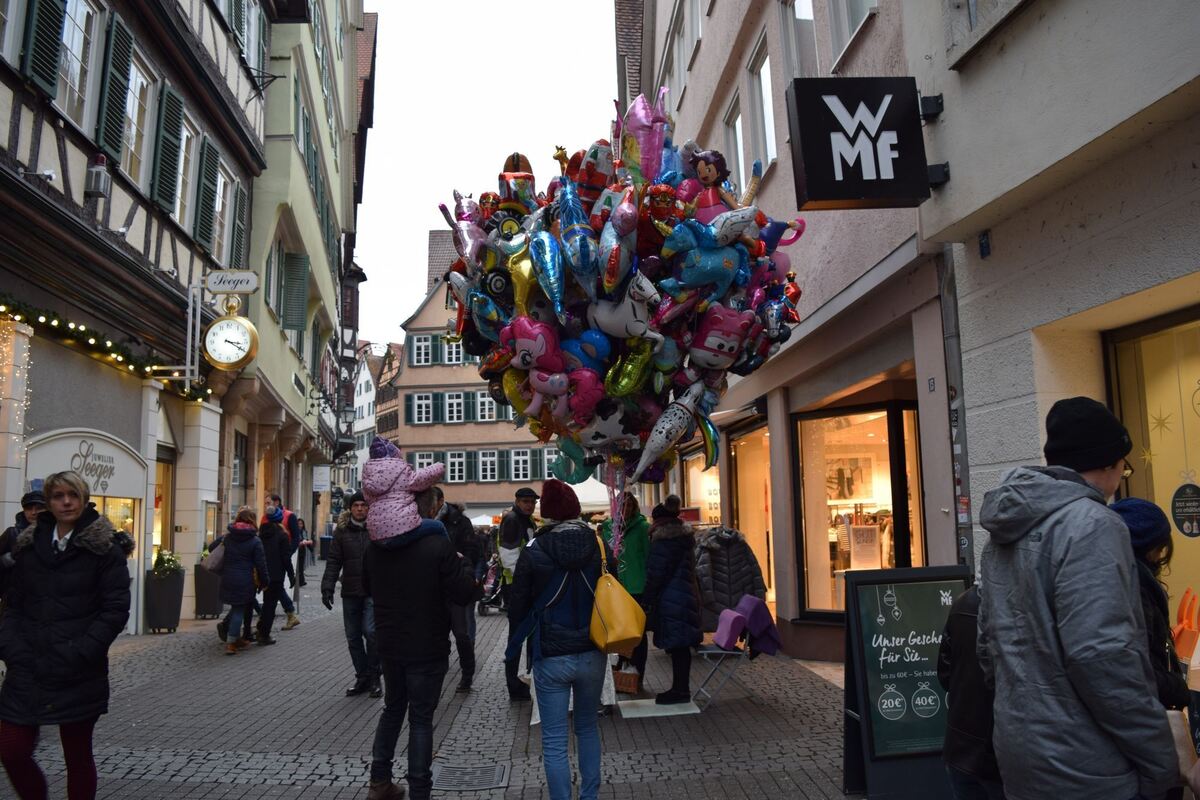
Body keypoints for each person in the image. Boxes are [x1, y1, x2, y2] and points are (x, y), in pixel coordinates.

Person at [977, 397, 1175, 800]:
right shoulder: (1093, 525)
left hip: (1021, 749)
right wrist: (1160, 760)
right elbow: (1103, 657)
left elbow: (988, 645)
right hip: (1089, 762)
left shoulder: (1005, 529)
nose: (1122, 475)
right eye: (1124, 464)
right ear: (1107, 463)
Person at [0, 471, 130, 800]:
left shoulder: (104, 547)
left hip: (77, 668)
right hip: (27, 664)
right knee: (12, 749)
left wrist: (83, 650)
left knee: (77, 756)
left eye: (72, 495)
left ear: (84, 499)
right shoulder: (28, 544)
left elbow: (114, 609)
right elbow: (13, 604)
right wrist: (10, 647)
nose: (66, 502)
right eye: (58, 496)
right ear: (49, 502)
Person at [362, 467, 478, 800]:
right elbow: (462, 593)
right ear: (426, 509)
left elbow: (368, 587)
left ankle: (379, 782)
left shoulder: (376, 546)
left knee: (393, 708)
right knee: (422, 719)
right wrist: (465, 567)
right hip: (427, 646)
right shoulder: (437, 545)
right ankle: (420, 791)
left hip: (390, 644)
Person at [508, 479, 611, 800]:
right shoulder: (598, 545)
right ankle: (589, 796)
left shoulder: (535, 549)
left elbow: (518, 605)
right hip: (593, 651)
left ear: (547, 513)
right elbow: (612, 592)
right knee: (587, 729)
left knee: (553, 739)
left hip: (551, 654)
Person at [1111, 498, 1191, 800]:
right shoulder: (1135, 588)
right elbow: (1138, 669)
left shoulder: (1126, 579)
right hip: (1143, 731)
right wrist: (1178, 688)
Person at [937, 585, 1005, 800]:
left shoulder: (962, 602)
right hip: (1002, 755)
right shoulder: (1021, 603)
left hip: (960, 746)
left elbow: (945, 674)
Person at [641, 495, 701, 705]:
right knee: (680, 646)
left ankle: (680, 691)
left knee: (678, 645)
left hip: (671, 598)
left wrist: (647, 599)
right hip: (684, 595)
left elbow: (656, 574)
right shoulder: (684, 540)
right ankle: (680, 688)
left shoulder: (663, 542)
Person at [322, 492, 381, 698]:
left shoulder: (377, 529)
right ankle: (362, 676)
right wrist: (327, 586)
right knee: (353, 636)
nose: (359, 509)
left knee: (371, 633)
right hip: (350, 590)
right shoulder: (342, 531)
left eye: (363, 505)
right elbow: (333, 560)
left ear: (368, 508)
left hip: (373, 590)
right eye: (356, 505)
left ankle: (375, 676)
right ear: (350, 508)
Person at [599, 492, 650, 682]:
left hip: (637, 587)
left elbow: (647, 556)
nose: (624, 510)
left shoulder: (643, 528)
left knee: (638, 632)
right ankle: (623, 669)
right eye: (621, 506)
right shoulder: (607, 527)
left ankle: (638, 671)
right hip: (616, 587)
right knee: (619, 630)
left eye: (628, 506)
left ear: (634, 507)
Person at [438, 493, 481, 693]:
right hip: (435, 586)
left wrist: (469, 573)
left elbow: (473, 551)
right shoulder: (421, 519)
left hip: (458, 583)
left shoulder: (460, 521)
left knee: (461, 633)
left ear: (440, 502)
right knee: (437, 634)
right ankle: (439, 670)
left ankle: (467, 675)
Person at [501, 487, 539, 701]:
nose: (529, 505)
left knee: (527, 635)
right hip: (516, 588)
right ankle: (514, 685)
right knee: (516, 638)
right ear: (517, 501)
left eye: (532, 502)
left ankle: (526, 680)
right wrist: (526, 578)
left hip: (525, 587)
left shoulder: (527, 520)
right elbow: (509, 557)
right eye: (525, 501)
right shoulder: (513, 520)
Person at [218, 507, 269, 655]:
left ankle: (235, 638)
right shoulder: (254, 540)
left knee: (236, 608)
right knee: (239, 610)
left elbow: (214, 546)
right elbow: (261, 564)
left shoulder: (228, 537)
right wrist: (265, 581)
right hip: (245, 579)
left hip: (228, 577)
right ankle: (231, 642)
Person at [256, 509, 295, 645]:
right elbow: (286, 558)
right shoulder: (282, 535)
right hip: (277, 575)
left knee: (266, 603)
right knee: (270, 606)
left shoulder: (261, 533)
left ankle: (260, 629)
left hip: (263, 573)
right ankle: (264, 634)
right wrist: (291, 574)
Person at [263, 493, 301, 630]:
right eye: (265, 503)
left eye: (268, 503)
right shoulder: (265, 517)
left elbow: (296, 537)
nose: (266, 506)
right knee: (276, 587)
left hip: (282, 557)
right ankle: (290, 614)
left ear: (277, 502)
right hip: (269, 558)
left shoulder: (289, 516)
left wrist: (289, 553)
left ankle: (288, 615)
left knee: (275, 587)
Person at [0, 491, 45, 601]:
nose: (33, 512)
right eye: (29, 508)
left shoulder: (56, 534)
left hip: (46, 601)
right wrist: (5, 560)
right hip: (14, 600)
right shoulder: (12, 533)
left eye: (39, 508)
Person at [295, 517, 312, 587]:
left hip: (302, 551)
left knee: (301, 567)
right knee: (297, 567)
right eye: (298, 524)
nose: (300, 525)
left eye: (301, 524)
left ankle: (301, 581)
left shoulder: (304, 531)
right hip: (296, 551)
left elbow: (306, 539)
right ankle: (299, 581)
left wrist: (310, 544)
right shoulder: (295, 531)